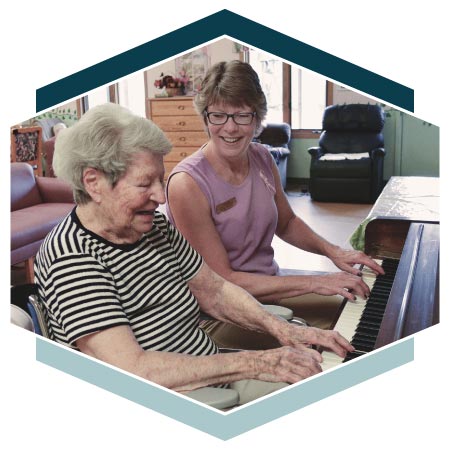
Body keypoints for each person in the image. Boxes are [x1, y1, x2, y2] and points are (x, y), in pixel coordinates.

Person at [34, 102, 354, 405]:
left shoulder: (154, 226)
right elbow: (133, 368)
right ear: (94, 183)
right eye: (145, 184)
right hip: (177, 396)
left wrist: (283, 329)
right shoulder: (72, 256)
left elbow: (214, 290)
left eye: (160, 180)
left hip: (213, 370)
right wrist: (258, 362)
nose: (160, 196)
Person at [165, 60, 384, 349]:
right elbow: (224, 282)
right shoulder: (187, 183)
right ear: (205, 118)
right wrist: (313, 282)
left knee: (365, 304)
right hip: (219, 314)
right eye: (218, 115)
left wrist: (334, 252)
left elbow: (287, 222)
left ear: (257, 118)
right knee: (340, 343)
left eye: (242, 115)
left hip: (269, 290)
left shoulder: (262, 157)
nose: (229, 128)